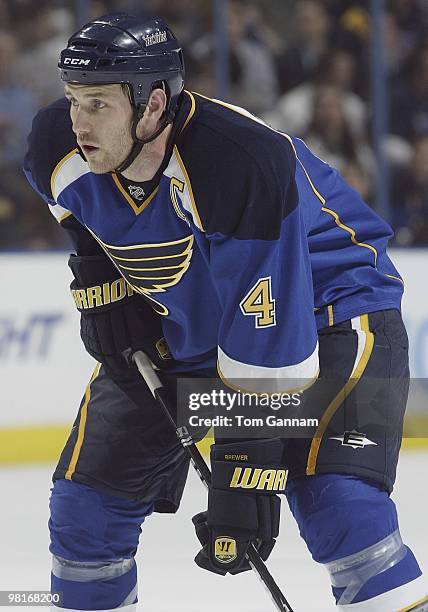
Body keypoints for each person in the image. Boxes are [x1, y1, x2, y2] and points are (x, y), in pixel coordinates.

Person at [23, 12, 427, 612]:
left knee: (337, 503)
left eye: (98, 105)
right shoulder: (56, 142)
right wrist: (104, 281)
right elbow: (81, 218)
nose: (78, 122)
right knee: (87, 508)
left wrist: (249, 463)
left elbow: (271, 342)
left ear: (153, 102)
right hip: (194, 328)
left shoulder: (237, 161)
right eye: (74, 100)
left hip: (334, 312)